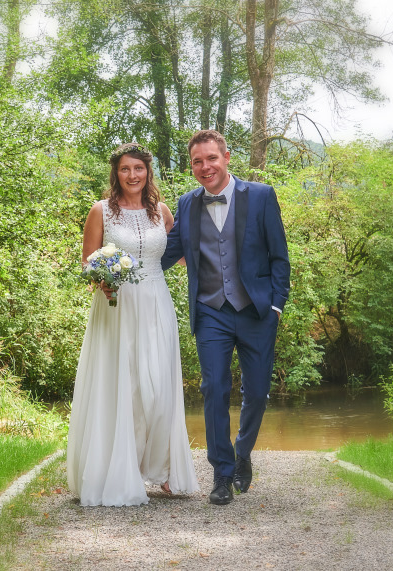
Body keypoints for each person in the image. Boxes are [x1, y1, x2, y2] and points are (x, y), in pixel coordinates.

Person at [66, 142, 199, 506]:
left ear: (147, 172)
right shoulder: (101, 211)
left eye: (138, 168)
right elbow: (87, 262)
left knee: (159, 387)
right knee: (124, 387)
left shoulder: (162, 212)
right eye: (125, 169)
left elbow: (182, 252)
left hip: (156, 303)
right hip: (117, 307)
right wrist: (102, 281)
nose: (132, 175)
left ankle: (165, 468)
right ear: (116, 173)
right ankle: (116, 471)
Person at [161, 130, 290, 505]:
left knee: (258, 393)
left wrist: (276, 306)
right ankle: (221, 473)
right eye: (197, 161)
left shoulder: (261, 196)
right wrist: (120, 267)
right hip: (210, 311)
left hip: (256, 310)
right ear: (191, 166)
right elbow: (166, 253)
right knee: (213, 388)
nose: (205, 167)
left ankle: (242, 451)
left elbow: (279, 257)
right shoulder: (186, 203)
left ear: (227, 157)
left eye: (211, 158)